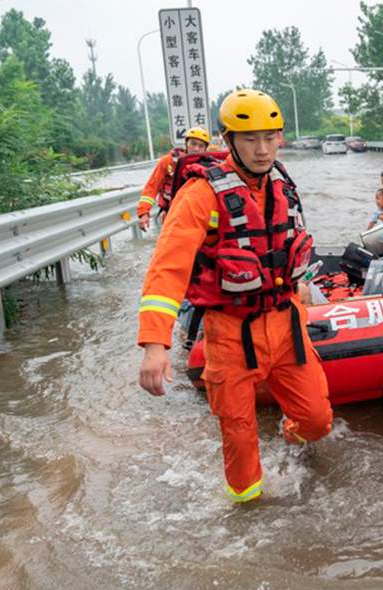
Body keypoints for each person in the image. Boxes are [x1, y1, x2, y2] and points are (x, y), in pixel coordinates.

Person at [137, 89, 333, 503]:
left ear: (281, 136)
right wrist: (155, 343)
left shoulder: (283, 183)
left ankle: (288, 438)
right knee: (240, 443)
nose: (262, 150)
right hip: (229, 332)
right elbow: (167, 267)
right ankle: (248, 513)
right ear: (228, 141)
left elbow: (289, 244)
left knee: (316, 419)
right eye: (250, 139)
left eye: (270, 137)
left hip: (285, 323)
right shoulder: (201, 193)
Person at [135, 127, 211, 231]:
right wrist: (143, 212)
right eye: (193, 144)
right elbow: (151, 187)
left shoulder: (209, 166)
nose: (196, 149)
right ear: (186, 144)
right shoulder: (168, 162)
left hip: (198, 218)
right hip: (172, 216)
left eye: (201, 146)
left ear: (205, 149)